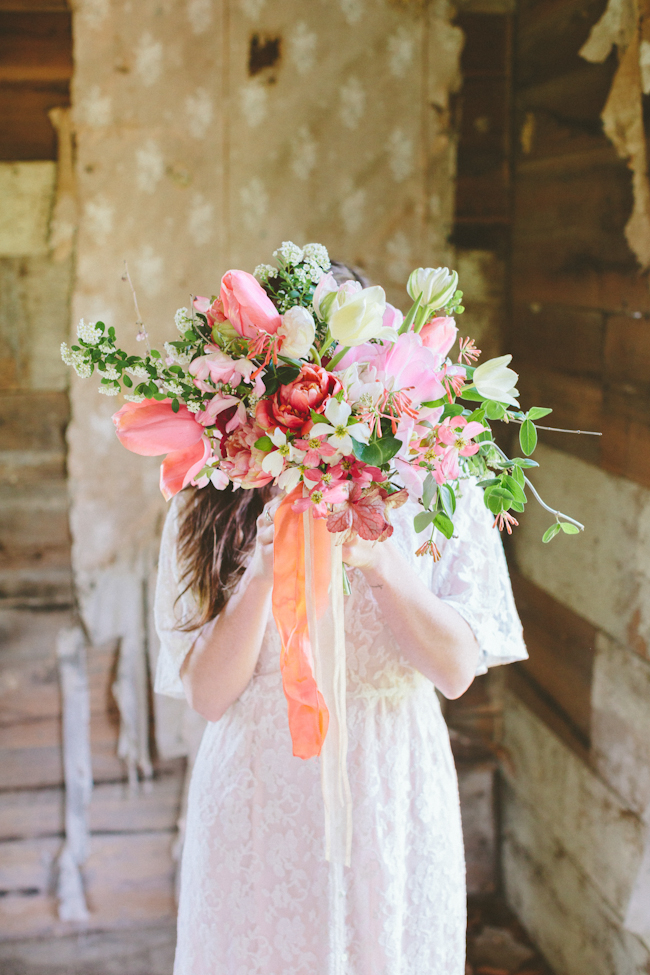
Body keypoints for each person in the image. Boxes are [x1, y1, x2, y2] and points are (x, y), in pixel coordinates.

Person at [154, 463, 527, 974]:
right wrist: (261, 577)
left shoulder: (442, 470)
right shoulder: (209, 482)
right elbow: (209, 696)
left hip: (392, 784)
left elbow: (456, 670)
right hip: (258, 794)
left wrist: (381, 560)